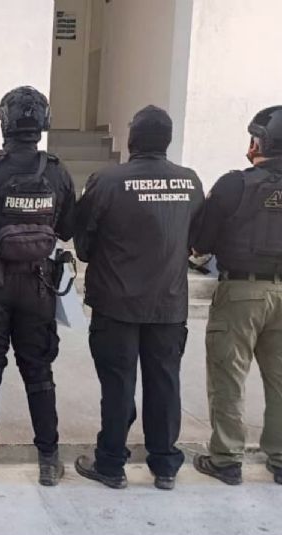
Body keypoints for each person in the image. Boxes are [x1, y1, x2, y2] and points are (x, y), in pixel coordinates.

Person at [192, 105, 282, 486]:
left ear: (259, 142)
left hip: (241, 293)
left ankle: (227, 459)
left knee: (228, 377)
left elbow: (202, 240)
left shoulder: (234, 185)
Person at [72, 105, 205, 490]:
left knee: (118, 384)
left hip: (115, 304)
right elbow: (197, 240)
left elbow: (83, 244)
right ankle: (164, 466)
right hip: (168, 304)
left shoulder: (107, 181)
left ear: (132, 139)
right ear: (167, 140)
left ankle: (111, 464)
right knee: (165, 383)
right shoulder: (189, 182)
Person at [0, 86, 76, 487]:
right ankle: (48, 461)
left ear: (4, 122)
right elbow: (68, 228)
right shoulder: (57, 171)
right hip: (39, 286)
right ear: (43, 122)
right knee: (38, 370)